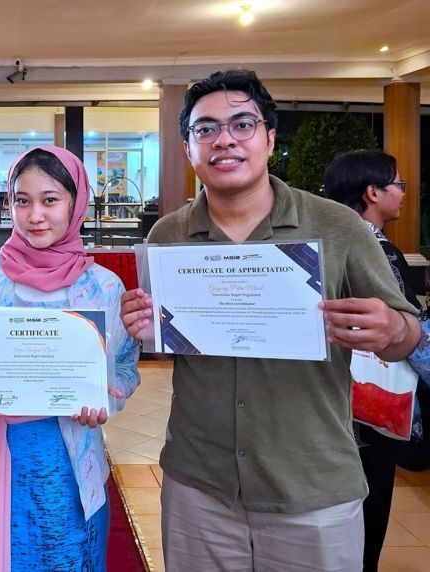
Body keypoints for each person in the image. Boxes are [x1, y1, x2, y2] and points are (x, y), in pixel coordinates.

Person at [120, 70, 421, 571]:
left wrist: (392, 329)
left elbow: (406, 334)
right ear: (188, 148)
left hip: (313, 485)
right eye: (206, 129)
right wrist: (144, 330)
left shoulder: (337, 225)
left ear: (269, 137)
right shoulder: (169, 235)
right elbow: (163, 341)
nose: (225, 140)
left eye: (242, 124)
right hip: (200, 487)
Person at [0, 145, 139, 571]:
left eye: (50, 200)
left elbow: (125, 365)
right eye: (22, 201)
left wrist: (108, 396)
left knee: (67, 555)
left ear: (75, 202)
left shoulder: (103, 286)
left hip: (68, 462)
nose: (35, 216)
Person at [324, 149, 421, 571]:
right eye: (397, 185)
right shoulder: (381, 253)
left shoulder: (318, 246)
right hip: (372, 408)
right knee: (369, 506)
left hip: (325, 405)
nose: (403, 193)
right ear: (372, 192)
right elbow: (414, 334)